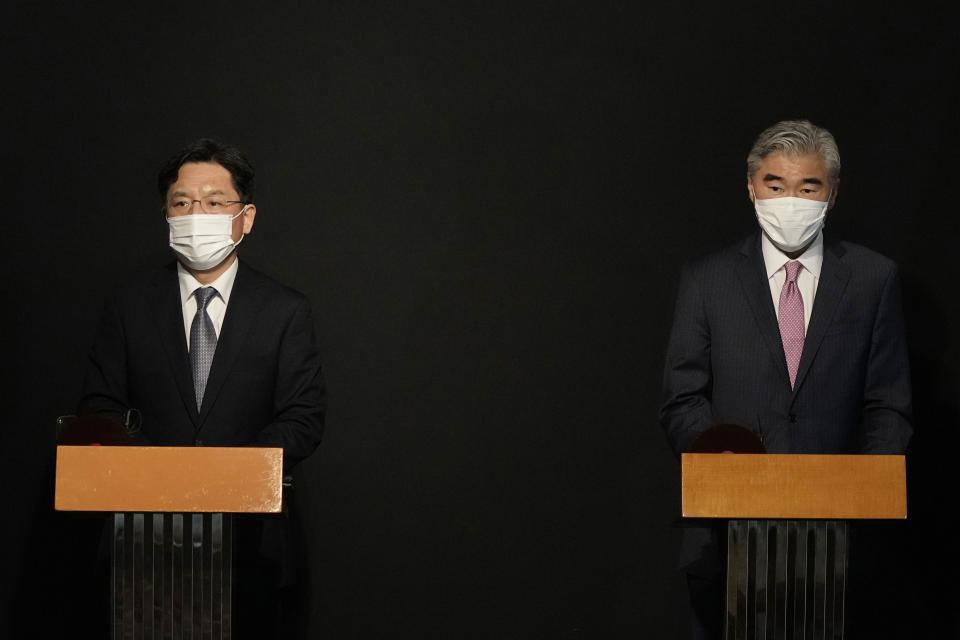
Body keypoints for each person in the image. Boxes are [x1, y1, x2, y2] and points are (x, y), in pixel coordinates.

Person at [659, 120, 912, 638]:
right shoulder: (707, 279)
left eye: (807, 187)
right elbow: (682, 398)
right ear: (751, 186)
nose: (789, 200)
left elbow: (888, 403)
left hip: (840, 544)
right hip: (726, 538)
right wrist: (726, 465)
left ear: (832, 193)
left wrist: (864, 489)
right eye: (775, 184)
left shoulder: (872, 278)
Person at [79, 138, 326, 638]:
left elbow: (303, 418)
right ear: (166, 214)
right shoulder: (128, 304)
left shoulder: (285, 311)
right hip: (144, 543)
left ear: (246, 216)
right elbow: (100, 406)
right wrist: (164, 475)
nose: (198, 214)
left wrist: (224, 478)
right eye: (183, 203)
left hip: (253, 544)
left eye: (215, 202)